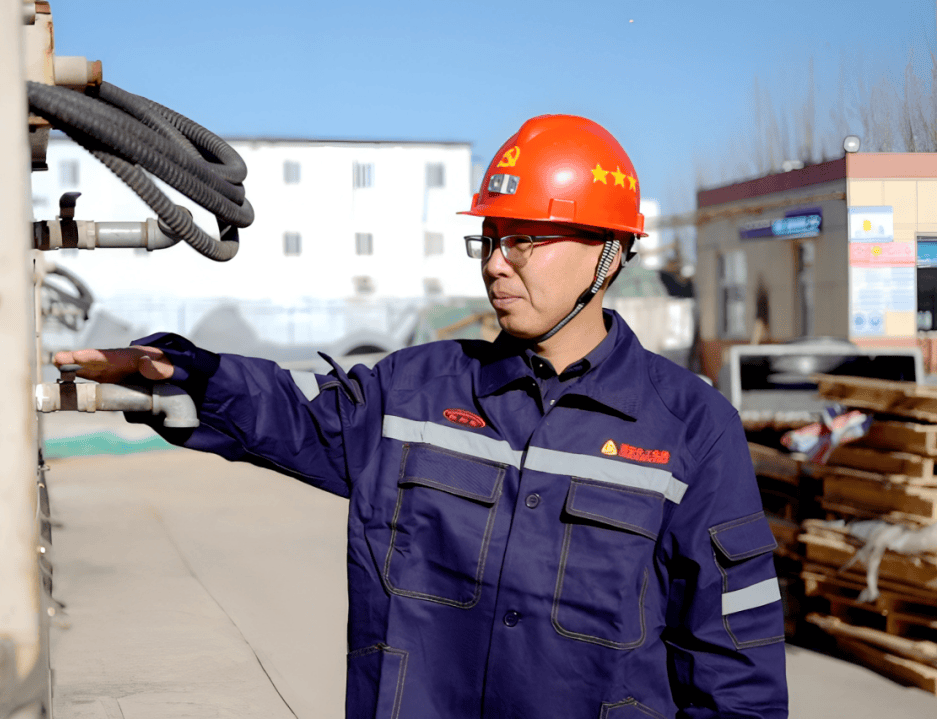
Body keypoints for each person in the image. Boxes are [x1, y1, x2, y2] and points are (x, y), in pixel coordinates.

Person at [56, 115, 788, 718]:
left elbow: (735, 663)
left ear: (610, 254)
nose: (496, 263)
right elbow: (293, 412)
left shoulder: (690, 430)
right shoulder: (416, 394)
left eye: (524, 239)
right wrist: (180, 373)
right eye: (490, 239)